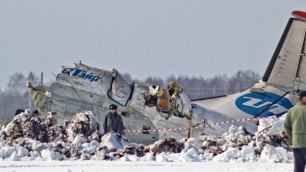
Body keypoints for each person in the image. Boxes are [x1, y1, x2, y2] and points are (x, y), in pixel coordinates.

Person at [284, 90, 306, 172]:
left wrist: (294, 137)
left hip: (296, 145)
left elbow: (286, 127)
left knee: (298, 169)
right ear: (304, 98)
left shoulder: (291, 111)